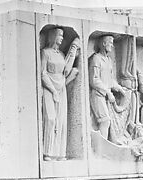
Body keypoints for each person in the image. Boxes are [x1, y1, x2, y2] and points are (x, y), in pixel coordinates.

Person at [40, 27, 79, 160]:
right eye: (59, 35)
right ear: (52, 36)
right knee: (50, 119)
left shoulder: (62, 55)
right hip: (48, 88)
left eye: (62, 36)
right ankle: (47, 152)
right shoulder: (45, 52)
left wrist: (73, 49)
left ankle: (60, 153)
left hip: (61, 87)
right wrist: (52, 90)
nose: (61, 38)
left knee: (61, 121)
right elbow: (43, 73)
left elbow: (66, 71)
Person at [88, 35, 130, 144]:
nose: (111, 45)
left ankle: (109, 142)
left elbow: (110, 80)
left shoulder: (109, 60)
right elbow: (94, 79)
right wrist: (107, 92)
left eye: (112, 43)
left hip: (106, 96)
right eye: (110, 43)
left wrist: (120, 89)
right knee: (105, 120)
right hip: (98, 95)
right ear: (103, 44)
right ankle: (101, 149)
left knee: (109, 121)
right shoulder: (96, 58)